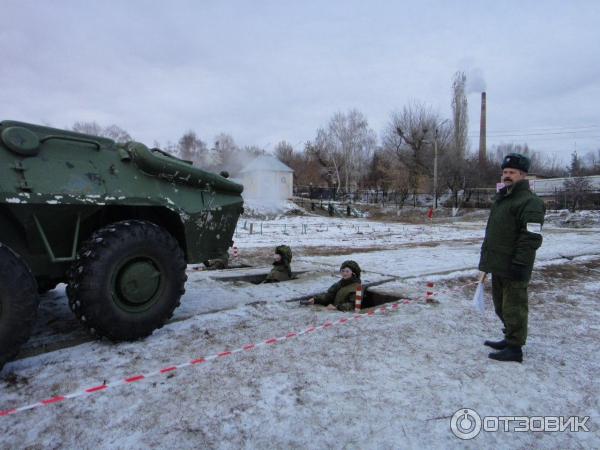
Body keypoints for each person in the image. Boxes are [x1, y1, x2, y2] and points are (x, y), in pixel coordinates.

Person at [479, 153, 545, 363]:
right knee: (500, 306)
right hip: (498, 264)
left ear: (523, 175)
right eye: (505, 172)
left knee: (514, 307)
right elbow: (493, 233)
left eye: (512, 172)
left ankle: (515, 348)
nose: (507, 175)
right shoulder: (502, 199)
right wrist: (485, 262)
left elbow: (531, 237)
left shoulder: (530, 202)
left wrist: (520, 263)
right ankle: (509, 338)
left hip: (515, 265)